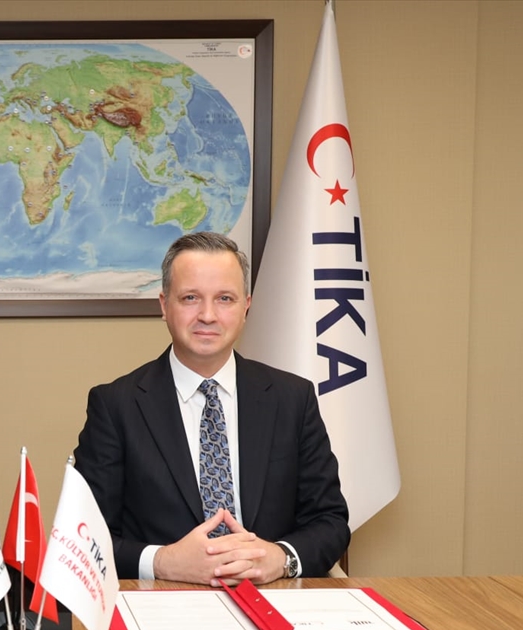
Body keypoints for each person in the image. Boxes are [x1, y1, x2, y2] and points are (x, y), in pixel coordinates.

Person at [73, 232, 349, 585]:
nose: (207, 315)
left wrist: (280, 558)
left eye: (225, 299)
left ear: (246, 306)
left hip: (273, 597)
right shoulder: (115, 406)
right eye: (190, 298)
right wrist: (163, 562)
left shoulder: (293, 399)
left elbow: (330, 521)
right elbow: (84, 536)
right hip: (161, 601)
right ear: (164, 305)